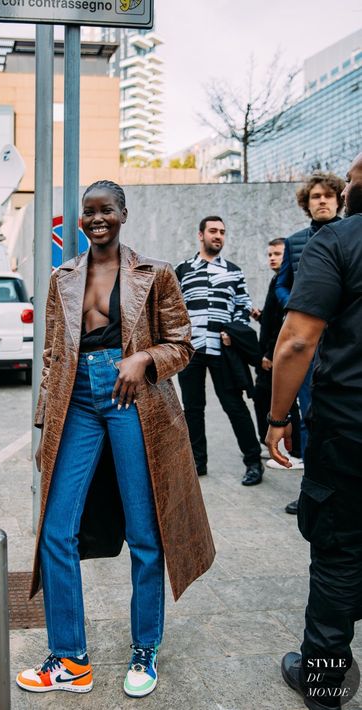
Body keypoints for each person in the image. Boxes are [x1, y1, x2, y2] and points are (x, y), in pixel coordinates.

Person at [17, 180, 215, 698]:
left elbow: (183, 344)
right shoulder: (63, 277)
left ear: (123, 214)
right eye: (89, 212)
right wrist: (45, 427)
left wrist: (145, 358)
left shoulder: (156, 274)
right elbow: (53, 358)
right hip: (76, 400)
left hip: (134, 400)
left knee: (145, 534)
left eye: (106, 210)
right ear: (80, 220)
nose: (97, 218)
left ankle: (144, 648)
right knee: (57, 529)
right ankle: (70, 659)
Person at [266, 153, 362, 710]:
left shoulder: (335, 242)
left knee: (337, 551)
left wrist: (278, 420)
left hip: (349, 427)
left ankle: (324, 683)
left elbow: (297, 339)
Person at [275, 172, 345, 514]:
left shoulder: (351, 238)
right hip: (307, 342)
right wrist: (301, 304)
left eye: (328, 196)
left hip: (344, 345)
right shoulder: (295, 241)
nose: (322, 201)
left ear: (340, 199)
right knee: (308, 417)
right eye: (315, 196)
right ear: (307, 203)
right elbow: (280, 284)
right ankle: (309, 493)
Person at [175, 216, 264, 485]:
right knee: (192, 408)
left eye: (222, 232)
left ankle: (253, 462)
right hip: (192, 350)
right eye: (213, 231)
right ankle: (197, 462)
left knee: (235, 406)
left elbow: (243, 305)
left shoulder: (233, 271)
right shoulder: (183, 270)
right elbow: (174, 307)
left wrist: (233, 330)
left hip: (223, 350)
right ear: (200, 235)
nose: (218, 236)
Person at [252, 238, 303, 469]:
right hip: (270, 352)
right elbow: (273, 320)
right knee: (266, 398)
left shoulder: (286, 286)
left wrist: (271, 355)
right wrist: (260, 316)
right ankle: (277, 446)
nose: (273, 258)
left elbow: (284, 325)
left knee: (286, 402)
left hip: (275, 356)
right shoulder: (277, 282)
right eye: (270, 254)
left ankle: (295, 453)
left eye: (278, 254)